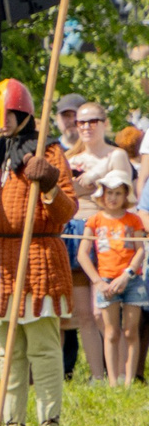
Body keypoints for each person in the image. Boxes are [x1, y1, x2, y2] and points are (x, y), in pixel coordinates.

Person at [0, 78, 76, 426]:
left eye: (12, 112)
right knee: (8, 352)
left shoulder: (49, 151)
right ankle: (11, 422)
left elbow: (66, 210)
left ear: (25, 113)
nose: (4, 118)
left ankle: (49, 423)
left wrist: (50, 185)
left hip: (38, 252)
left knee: (42, 346)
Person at [79, 164, 146, 385]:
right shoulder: (95, 220)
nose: (113, 198)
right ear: (102, 194)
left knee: (130, 331)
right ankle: (112, 382)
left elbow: (140, 251)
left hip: (132, 280)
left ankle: (128, 381)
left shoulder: (133, 219)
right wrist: (97, 281)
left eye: (118, 193)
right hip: (106, 280)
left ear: (126, 195)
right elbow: (83, 254)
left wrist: (127, 274)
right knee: (111, 332)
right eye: (110, 193)